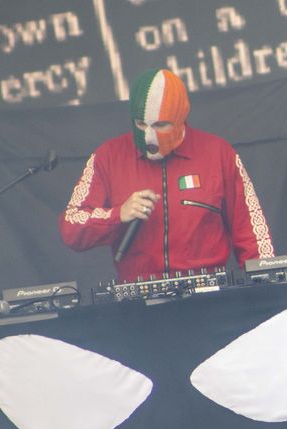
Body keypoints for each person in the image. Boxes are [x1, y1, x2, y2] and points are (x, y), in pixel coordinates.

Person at [59, 68, 274, 281]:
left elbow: (252, 233)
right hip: (139, 302)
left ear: (181, 117)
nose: (149, 136)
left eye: (161, 125)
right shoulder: (107, 156)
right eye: (141, 125)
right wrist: (118, 214)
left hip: (208, 297)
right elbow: (71, 227)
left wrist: (267, 284)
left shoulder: (219, 153)